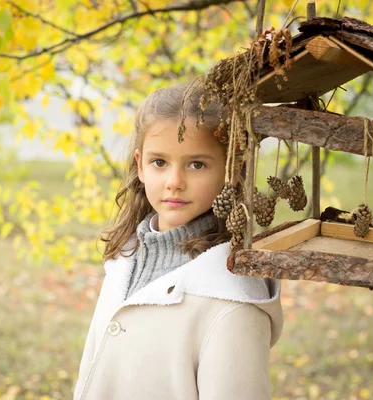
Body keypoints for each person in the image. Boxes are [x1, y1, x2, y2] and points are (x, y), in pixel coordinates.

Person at [74, 81, 283, 400]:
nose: (175, 182)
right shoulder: (127, 255)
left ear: (232, 168)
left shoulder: (233, 302)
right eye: (160, 162)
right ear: (140, 164)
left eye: (196, 164)